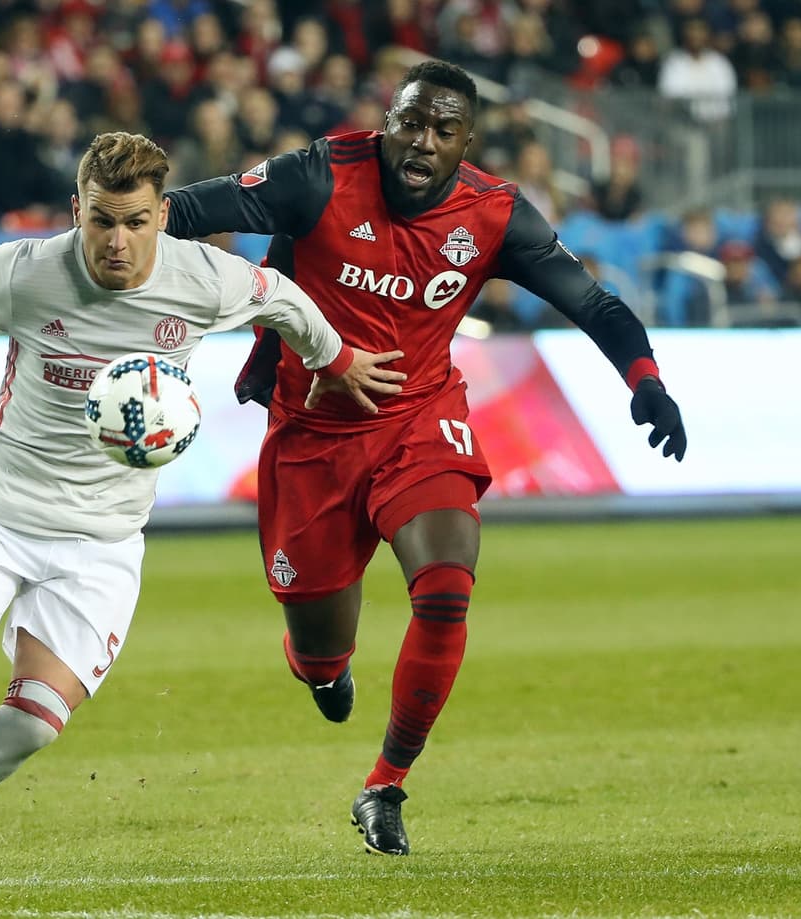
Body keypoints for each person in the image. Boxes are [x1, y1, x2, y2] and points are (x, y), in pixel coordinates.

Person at [0, 131, 404, 872]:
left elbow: (286, 300)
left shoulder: (208, 279)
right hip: (0, 505)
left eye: (135, 221)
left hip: (104, 537)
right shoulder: (27, 271)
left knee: (32, 723)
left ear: (163, 215)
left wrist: (338, 358)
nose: (118, 241)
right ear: (77, 211)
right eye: (102, 220)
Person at [164, 60, 688, 856]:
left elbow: (593, 301)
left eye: (444, 130)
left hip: (419, 421)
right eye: (411, 122)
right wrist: (119, 235)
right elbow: (197, 209)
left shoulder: (494, 213)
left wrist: (645, 379)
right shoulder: (320, 175)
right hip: (312, 436)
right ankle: (323, 668)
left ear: (466, 141)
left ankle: (384, 784)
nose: (423, 141)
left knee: (447, 586)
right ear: (388, 122)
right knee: (317, 652)